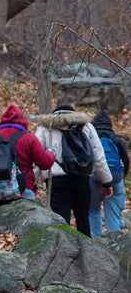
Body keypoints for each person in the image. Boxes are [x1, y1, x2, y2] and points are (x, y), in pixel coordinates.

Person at [34, 101, 112, 237]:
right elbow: (99, 156)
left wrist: (33, 183)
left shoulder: (46, 127)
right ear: (73, 109)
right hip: (81, 179)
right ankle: (88, 253)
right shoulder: (87, 126)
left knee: (61, 222)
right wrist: (106, 182)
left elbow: (36, 157)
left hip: (56, 181)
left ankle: (63, 253)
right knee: (83, 221)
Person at [0, 104, 56, 212]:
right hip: (24, 192)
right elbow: (45, 163)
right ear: (23, 123)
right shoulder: (29, 139)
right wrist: (52, 153)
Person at [88, 110, 129, 238]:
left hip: (95, 178)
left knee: (93, 210)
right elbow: (126, 161)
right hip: (115, 179)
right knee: (113, 211)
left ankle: (97, 242)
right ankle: (114, 241)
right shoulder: (116, 139)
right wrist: (122, 177)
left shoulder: (91, 139)